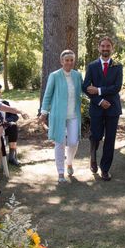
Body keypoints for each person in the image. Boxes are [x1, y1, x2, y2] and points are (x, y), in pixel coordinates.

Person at [83, 36, 124, 181]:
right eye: (103, 46)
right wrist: (99, 101)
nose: (105, 49)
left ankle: (105, 169)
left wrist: (99, 90)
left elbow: (117, 87)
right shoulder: (92, 66)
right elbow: (86, 87)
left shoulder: (118, 66)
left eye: (108, 46)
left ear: (112, 48)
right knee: (96, 135)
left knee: (110, 139)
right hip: (97, 108)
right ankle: (93, 157)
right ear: (99, 48)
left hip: (113, 109)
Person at [40, 50, 83, 182]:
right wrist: (44, 112)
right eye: (66, 60)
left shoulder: (77, 75)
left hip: (74, 115)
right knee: (60, 142)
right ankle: (60, 171)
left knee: (73, 142)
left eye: (71, 60)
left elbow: (84, 91)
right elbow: (47, 95)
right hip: (58, 115)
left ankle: (69, 162)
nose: (69, 62)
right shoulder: (55, 75)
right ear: (61, 61)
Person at [0, 82, 28, 166]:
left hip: (3, 127)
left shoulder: (3, 103)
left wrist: (6, 121)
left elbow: (14, 116)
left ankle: (11, 156)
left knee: (13, 126)